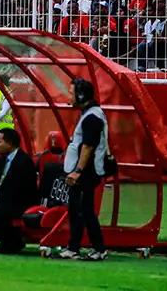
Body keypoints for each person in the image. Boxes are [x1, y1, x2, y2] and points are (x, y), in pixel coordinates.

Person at [59, 78, 108, 261]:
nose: (69, 97)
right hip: (85, 170)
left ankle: (97, 249)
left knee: (83, 210)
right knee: (78, 210)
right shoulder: (91, 114)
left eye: (71, 93)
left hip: (86, 172)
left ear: (80, 95)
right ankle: (75, 247)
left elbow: (88, 146)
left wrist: (77, 171)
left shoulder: (92, 117)